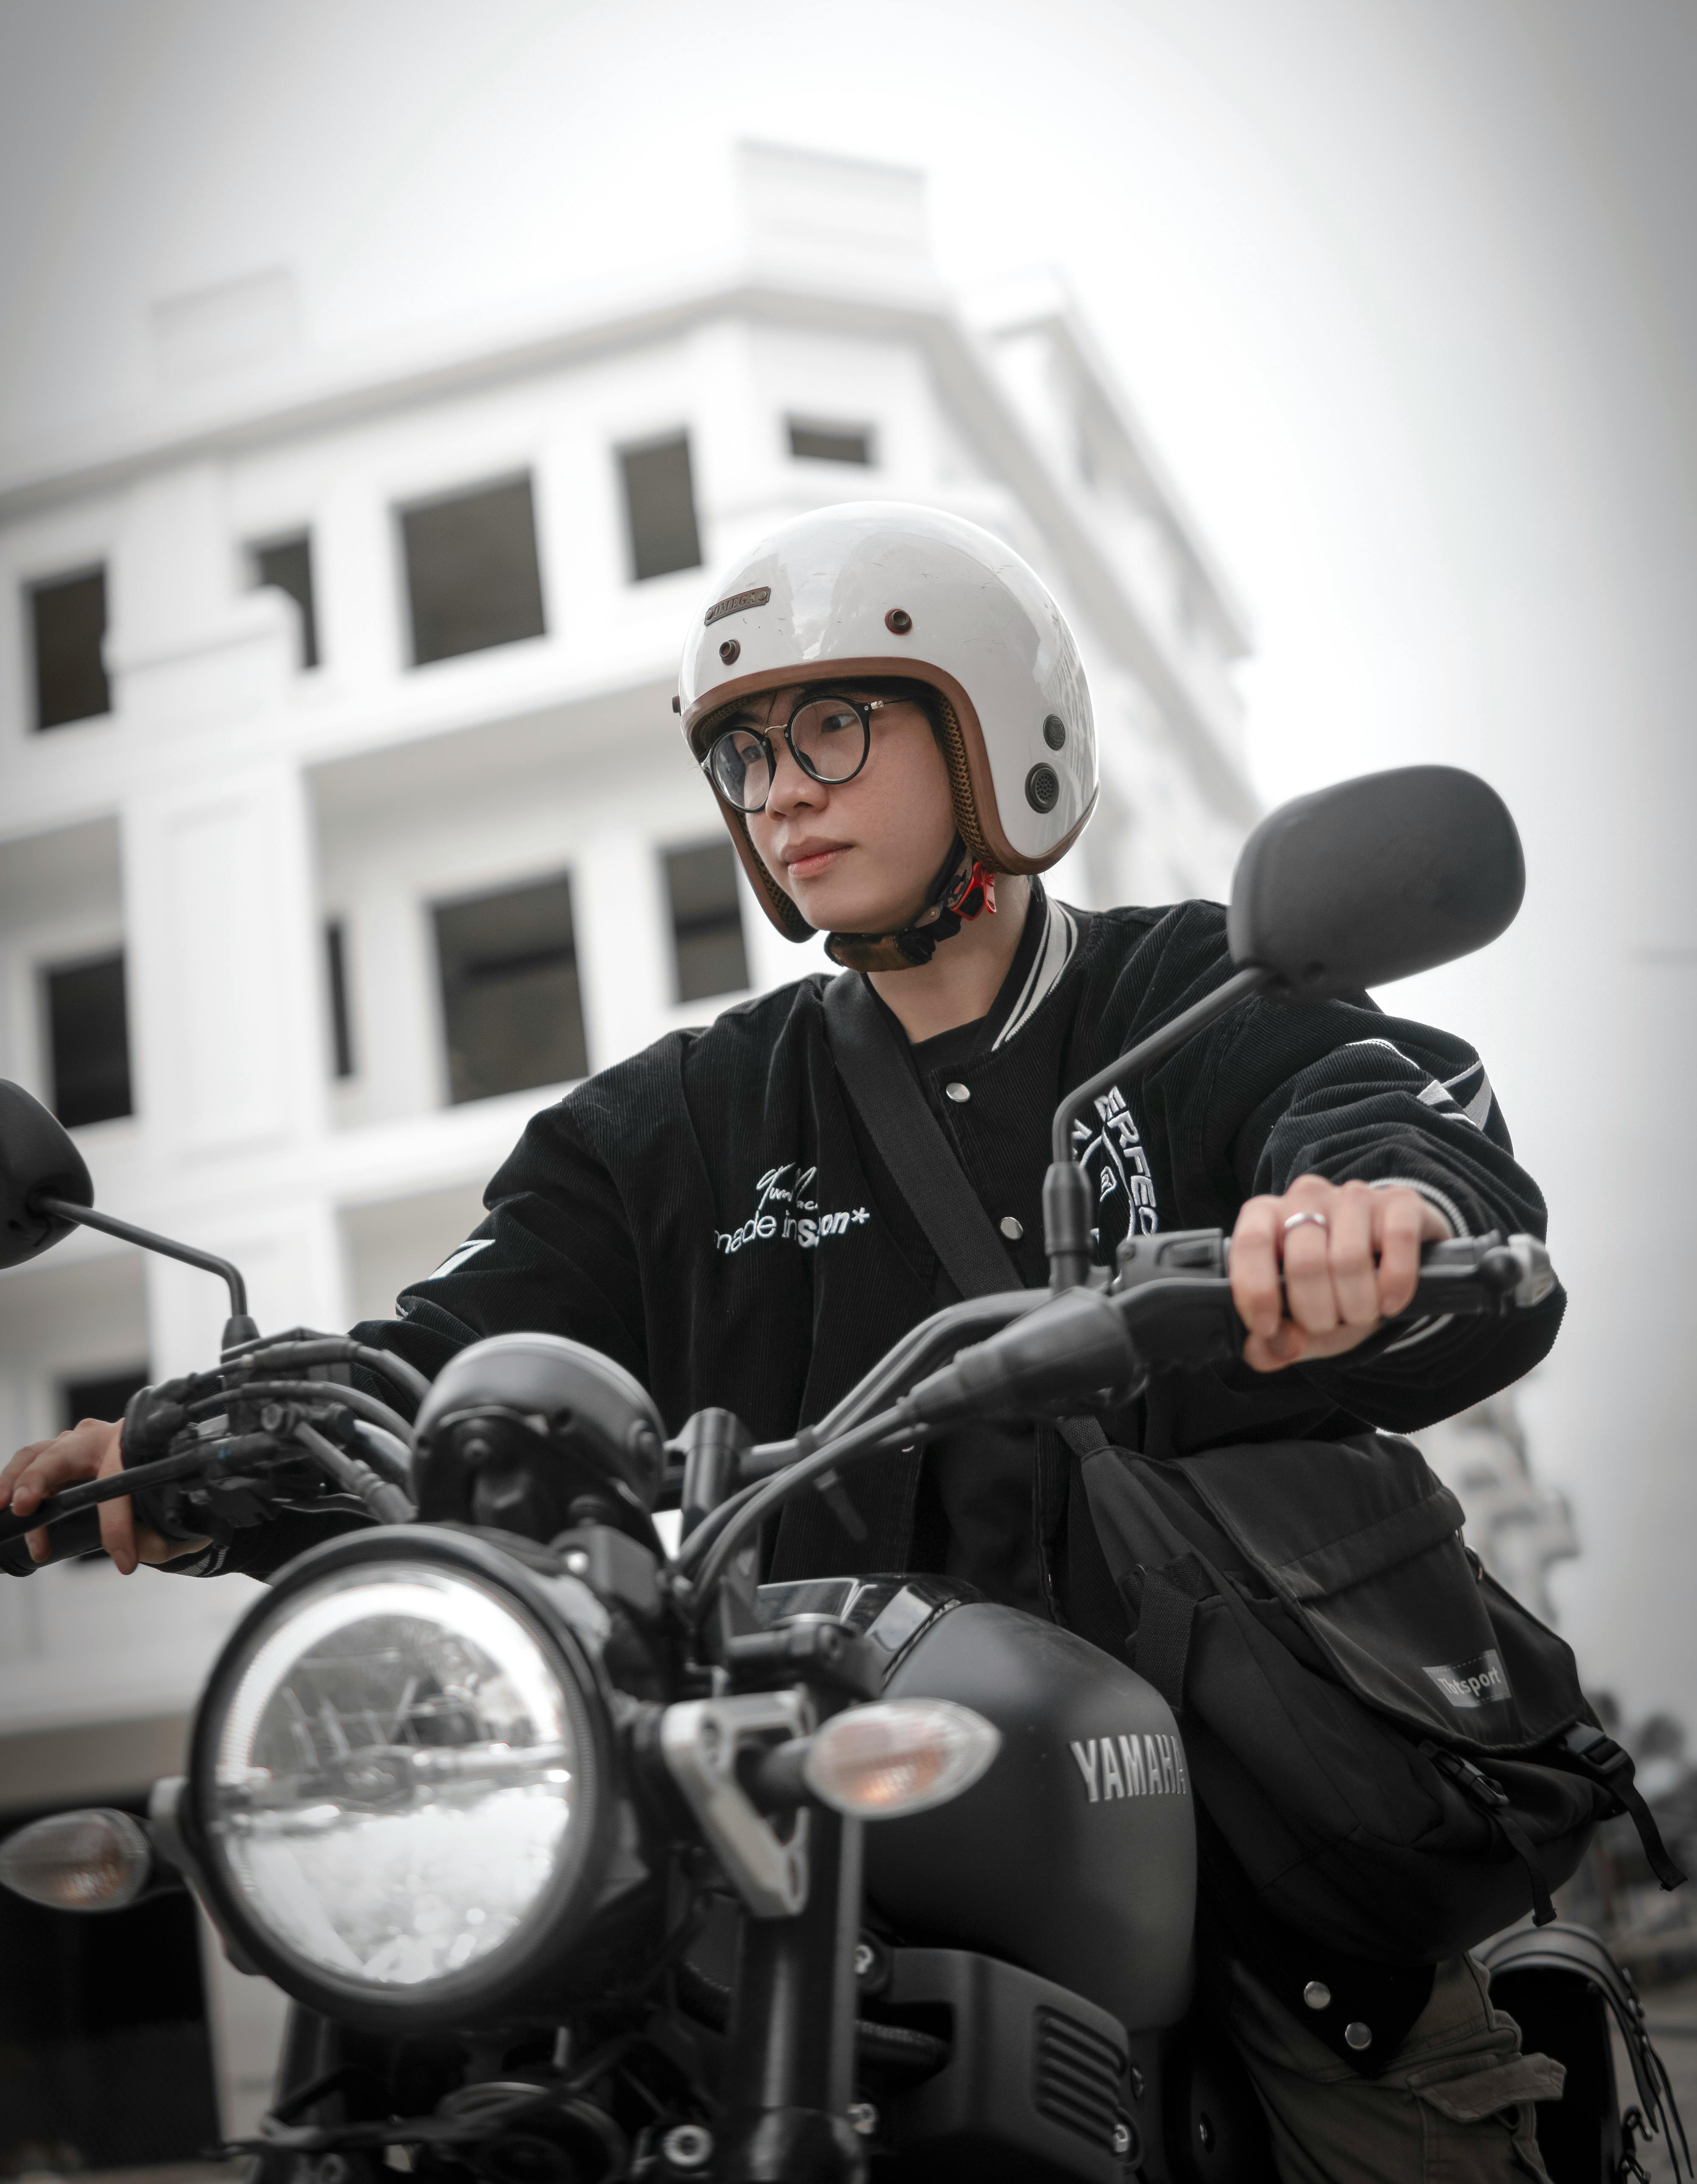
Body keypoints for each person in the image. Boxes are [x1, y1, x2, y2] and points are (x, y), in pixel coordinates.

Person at [0, 502, 1566, 2182]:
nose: (782, 791)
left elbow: (1384, 1123)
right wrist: (192, 1454)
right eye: (744, 756)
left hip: (1221, 1829)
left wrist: (1361, 1215)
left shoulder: (1193, 998)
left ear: (990, 731)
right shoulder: (677, 1125)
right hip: (800, 1826)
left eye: (832, 726)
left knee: (1387, 2126)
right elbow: (442, 1361)